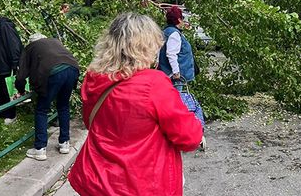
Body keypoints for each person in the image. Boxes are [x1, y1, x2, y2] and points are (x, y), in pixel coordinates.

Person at [68, 12, 203, 196]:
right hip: (141, 184)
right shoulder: (153, 84)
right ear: (145, 48)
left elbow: (91, 123)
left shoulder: (94, 80)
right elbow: (189, 137)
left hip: (97, 180)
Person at [16, 33, 80, 161]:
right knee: (63, 106)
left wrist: (21, 90)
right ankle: (64, 143)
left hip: (53, 72)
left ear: (31, 42)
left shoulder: (30, 48)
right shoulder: (55, 41)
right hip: (73, 69)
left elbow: (21, 74)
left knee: (42, 109)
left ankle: (39, 149)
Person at [158, 6, 196, 86]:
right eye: (182, 18)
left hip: (166, 73)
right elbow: (171, 54)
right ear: (179, 19)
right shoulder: (174, 34)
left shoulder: (165, 32)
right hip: (176, 78)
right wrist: (176, 72)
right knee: (176, 96)